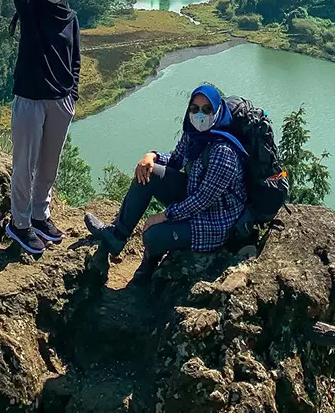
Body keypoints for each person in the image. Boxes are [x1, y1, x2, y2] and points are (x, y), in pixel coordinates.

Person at [84, 83, 246, 284]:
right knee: (148, 172)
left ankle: (149, 263)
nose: (200, 115)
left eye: (207, 109)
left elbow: (203, 200)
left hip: (214, 220)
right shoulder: (193, 134)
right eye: (194, 109)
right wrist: (151, 156)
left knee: (153, 234)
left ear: (217, 110)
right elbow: (176, 159)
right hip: (192, 196)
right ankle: (117, 235)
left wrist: (165, 215)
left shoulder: (224, 151)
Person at [0, 0, 82, 255]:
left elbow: (75, 58)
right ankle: (19, 224)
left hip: (60, 102)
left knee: (49, 164)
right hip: (30, 99)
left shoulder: (70, 18)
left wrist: (72, 93)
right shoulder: (30, 11)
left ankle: (39, 214)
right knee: (25, 164)